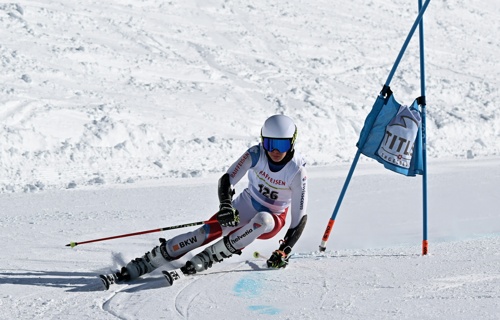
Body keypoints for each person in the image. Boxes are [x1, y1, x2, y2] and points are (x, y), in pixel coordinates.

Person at [112, 114, 308, 282]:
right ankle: (145, 263)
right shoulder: (256, 154)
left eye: (281, 144)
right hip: (245, 205)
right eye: (269, 143)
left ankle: (209, 257)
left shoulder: (296, 171)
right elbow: (227, 179)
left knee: (262, 220)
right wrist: (225, 206)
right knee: (200, 234)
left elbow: (299, 218)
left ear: (291, 142)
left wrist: (285, 249)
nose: (274, 150)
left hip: (273, 219)